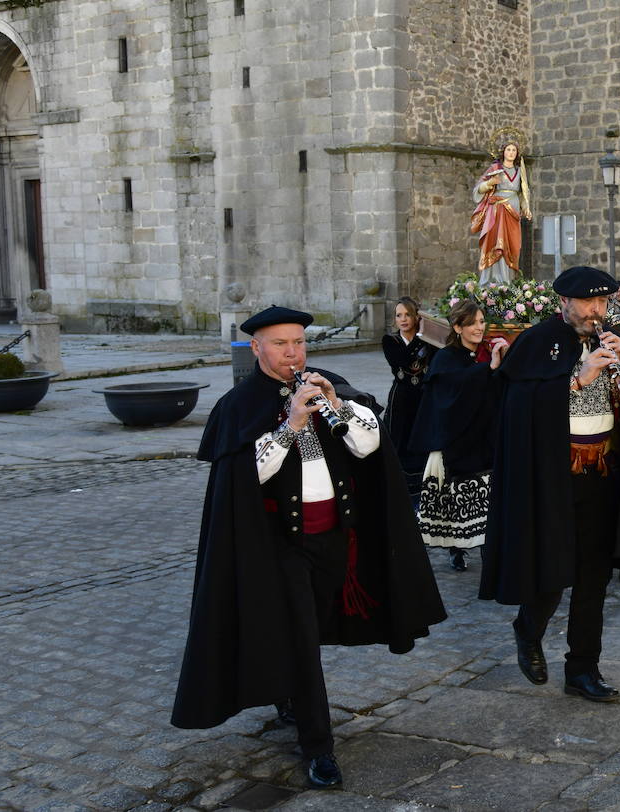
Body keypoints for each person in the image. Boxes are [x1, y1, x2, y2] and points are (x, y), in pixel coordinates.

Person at [172, 306, 446, 790]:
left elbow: (367, 446)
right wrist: (290, 426)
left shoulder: (325, 384)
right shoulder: (240, 404)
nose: (292, 353)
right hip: (280, 546)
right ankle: (319, 746)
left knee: (309, 626)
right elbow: (245, 476)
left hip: (336, 539)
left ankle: (287, 693)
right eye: (280, 344)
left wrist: (338, 405)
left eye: (298, 342)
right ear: (256, 348)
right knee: (300, 637)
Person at [480, 266, 620, 702]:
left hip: (601, 474)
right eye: (588, 303)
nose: (597, 311)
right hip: (554, 479)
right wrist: (576, 379)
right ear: (564, 302)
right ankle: (528, 629)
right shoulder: (535, 343)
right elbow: (516, 408)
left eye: (603, 303)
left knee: (594, 577)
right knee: (552, 571)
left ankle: (583, 668)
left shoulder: (611, 339)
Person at [410, 300, 509, 571]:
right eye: (473, 323)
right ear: (457, 327)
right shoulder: (446, 358)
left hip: (483, 439)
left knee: (489, 504)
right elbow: (451, 394)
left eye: (481, 322)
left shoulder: (484, 355)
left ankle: (491, 556)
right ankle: (457, 549)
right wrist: (486, 370)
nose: (480, 328)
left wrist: (499, 365)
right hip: (455, 442)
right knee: (457, 507)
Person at [381, 296, 435, 461]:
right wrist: (421, 336)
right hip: (401, 398)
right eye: (399, 315)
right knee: (399, 441)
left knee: (422, 439)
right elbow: (402, 360)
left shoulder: (428, 342)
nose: (403, 319)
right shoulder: (390, 340)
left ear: (416, 317)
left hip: (423, 396)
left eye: (408, 314)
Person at [471, 141, 532, 284]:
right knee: (495, 242)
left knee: (512, 244)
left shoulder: (520, 171)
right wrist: (490, 183)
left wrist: (526, 208)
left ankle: (508, 279)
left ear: (517, 154)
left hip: (513, 212)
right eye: (508, 150)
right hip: (496, 211)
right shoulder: (495, 168)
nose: (511, 153)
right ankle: (493, 278)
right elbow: (478, 189)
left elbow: (523, 193)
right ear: (503, 152)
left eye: (514, 150)